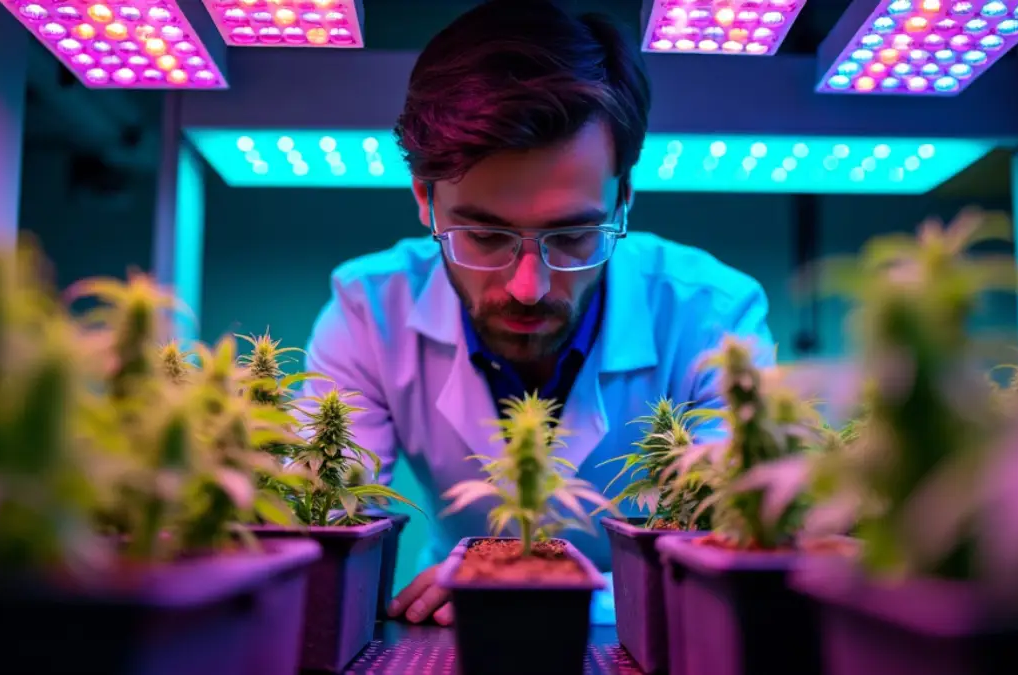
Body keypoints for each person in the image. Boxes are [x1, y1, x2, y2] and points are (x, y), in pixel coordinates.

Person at [302, 0, 773, 627]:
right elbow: (321, 524)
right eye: (486, 237)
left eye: (573, 236)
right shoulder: (368, 311)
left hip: (650, 628)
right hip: (455, 631)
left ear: (624, 198)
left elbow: (735, 548)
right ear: (425, 198)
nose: (529, 287)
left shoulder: (714, 316)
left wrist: (530, 592)